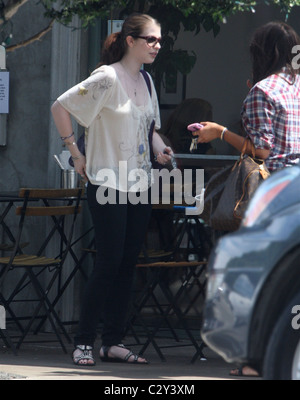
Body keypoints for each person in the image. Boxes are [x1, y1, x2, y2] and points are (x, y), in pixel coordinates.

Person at [51, 13, 173, 366]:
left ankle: (114, 341)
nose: (157, 46)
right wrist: (75, 154)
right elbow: (60, 107)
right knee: (109, 261)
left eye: (160, 40)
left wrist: (159, 148)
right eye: (150, 39)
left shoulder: (147, 81)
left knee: (127, 263)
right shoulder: (106, 77)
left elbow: (148, 127)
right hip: (107, 181)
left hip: (139, 183)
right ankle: (85, 341)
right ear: (130, 41)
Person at [192, 21, 300, 376]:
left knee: (251, 274)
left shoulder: (263, 91)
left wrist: (219, 132)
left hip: (275, 196)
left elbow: (263, 152)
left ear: (261, 52)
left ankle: (251, 358)